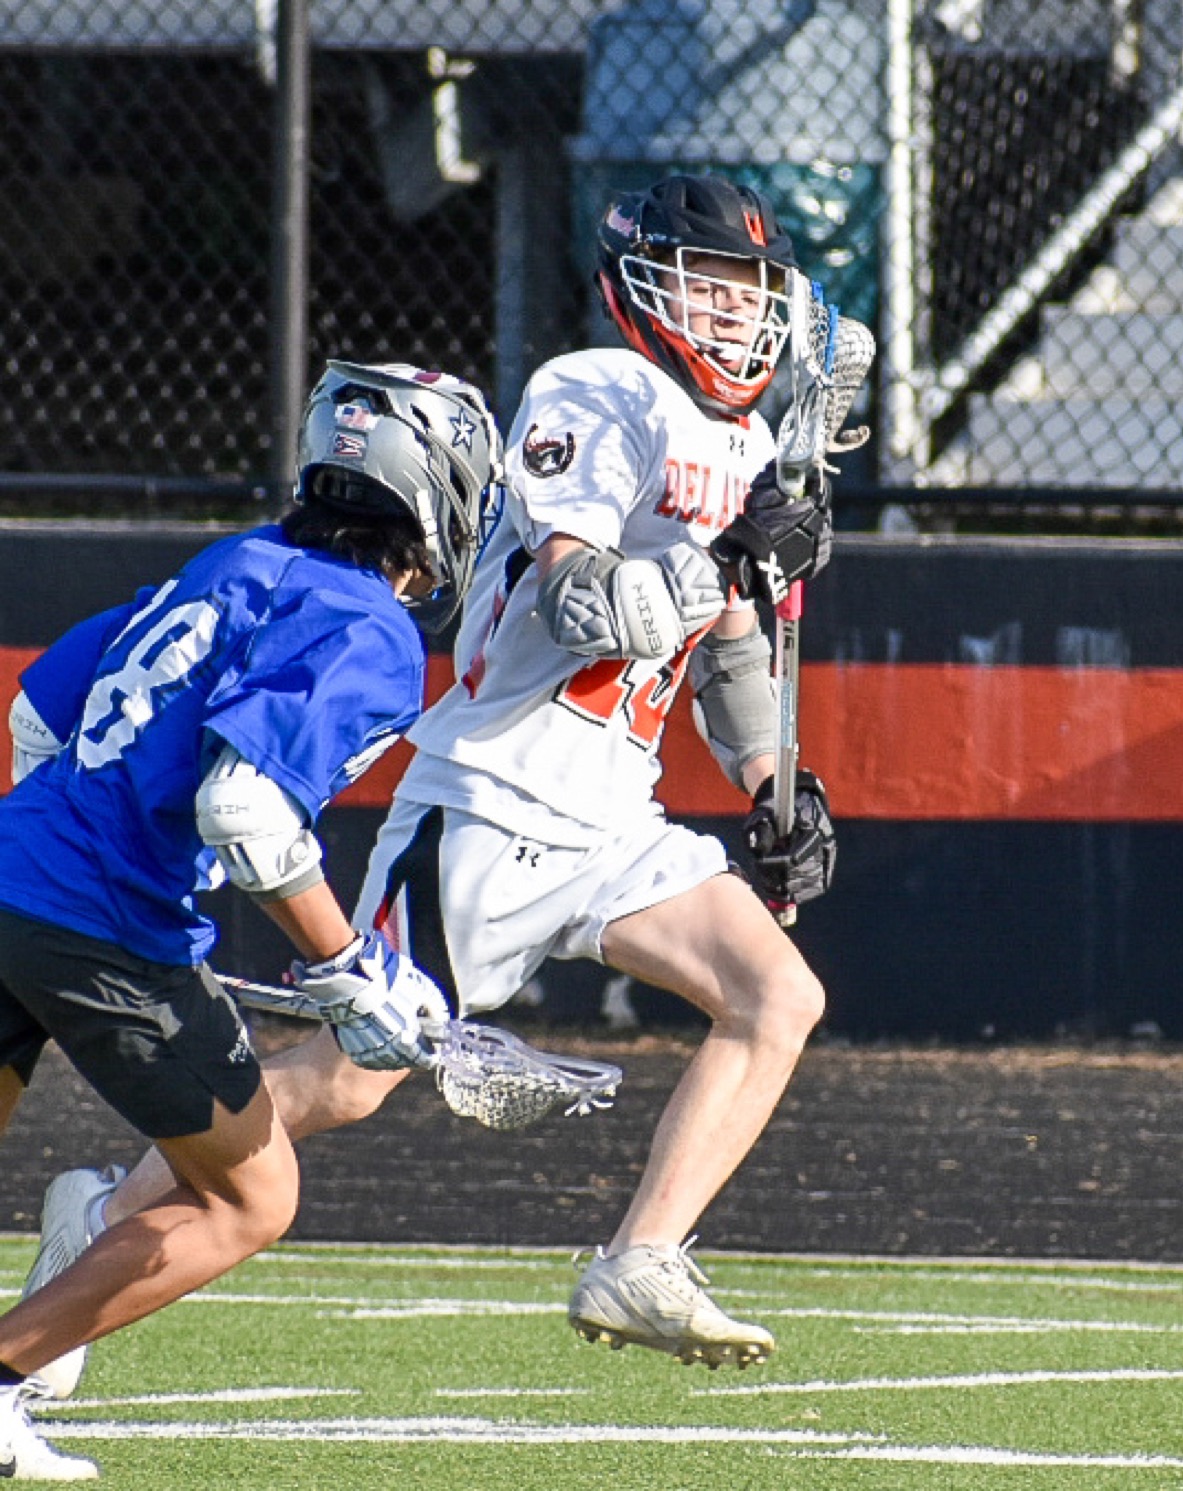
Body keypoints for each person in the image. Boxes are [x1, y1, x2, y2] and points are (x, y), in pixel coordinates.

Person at [20, 173, 840, 1389]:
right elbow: (580, 597)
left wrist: (772, 778)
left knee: (777, 997)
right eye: (709, 284)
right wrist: (724, 562)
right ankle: (103, 1226)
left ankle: (644, 1256)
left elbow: (726, 653)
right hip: (497, 794)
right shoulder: (594, 389)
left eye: (747, 291)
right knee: (347, 1083)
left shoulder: (754, 441)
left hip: (616, 808)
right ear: (646, 285)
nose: (730, 314)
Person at [0, 360, 501, 1477]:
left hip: (10, 866)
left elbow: (43, 710)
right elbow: (245, 807)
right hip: (100, 926)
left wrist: (92, 855)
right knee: (252, 1195)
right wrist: (349, 969)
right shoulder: (368, 627)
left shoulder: (237, 560)